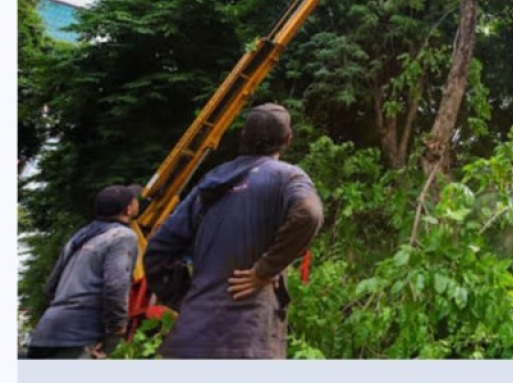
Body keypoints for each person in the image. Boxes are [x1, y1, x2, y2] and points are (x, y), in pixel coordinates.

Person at [144, 103, 323, 359]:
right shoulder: (288, 177)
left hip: (190, 338)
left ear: (242, 136)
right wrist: (265, 270)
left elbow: (158, 252)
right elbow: (309, 213)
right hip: (248, 341)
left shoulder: (211, 181)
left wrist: (189, 299)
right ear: (288, 139)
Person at [27, 184, 141, 359]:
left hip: (46, 331)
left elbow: (51, 287)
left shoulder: (79, 237)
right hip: (79, 336)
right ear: (128, 209)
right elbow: (116, 285)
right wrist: (116, 329)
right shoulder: (122, 236)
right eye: (134, 200)